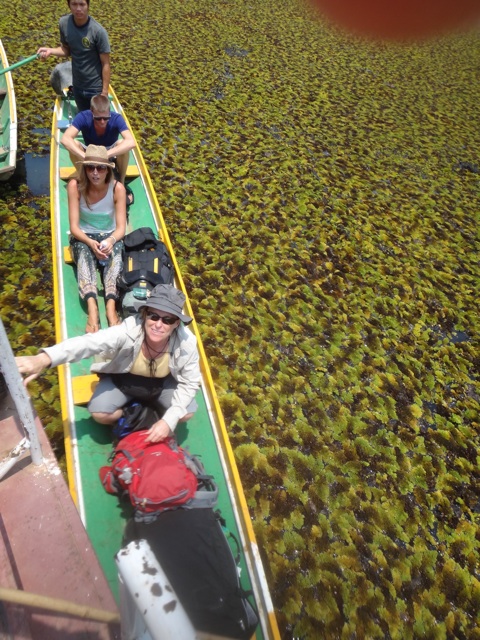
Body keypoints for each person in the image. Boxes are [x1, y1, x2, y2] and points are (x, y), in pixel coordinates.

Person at [15, 285, 200, 443]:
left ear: (176, 324)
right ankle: (138, 413)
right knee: (100, 413)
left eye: (167, 319)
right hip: (125, 378)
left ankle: (153, 415)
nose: (159, 324)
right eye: (154, 316)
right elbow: (89, 343)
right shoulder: (127, 330)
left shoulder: (187, 343)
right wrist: (44, 359)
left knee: (186, 413)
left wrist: (169, 421)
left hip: (162, 383)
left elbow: (190, 382)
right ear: (144, 314)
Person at [68, 144, 126, 332]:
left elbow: (120, 229)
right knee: (84, 257)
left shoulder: (117, 188)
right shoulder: (75, 186)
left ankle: (110, 307)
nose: (95, 173)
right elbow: (74, 228)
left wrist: (110, 241)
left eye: (100, 168)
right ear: (84, 169)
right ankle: (92, 307)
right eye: (90, 167)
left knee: (116, 257)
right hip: (84, 236)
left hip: (108, 236)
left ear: (107, 170)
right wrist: (90, 242)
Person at [37, 0, 110, 112]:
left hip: (95, 89)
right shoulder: (64, 23)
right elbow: (66, 50)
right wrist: (50, 51)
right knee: (83, 120)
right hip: (77, 86)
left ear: (88, 5)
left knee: (97, 124)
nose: (78, 8)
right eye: (74, 4)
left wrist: (104, 93)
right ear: (69, 5)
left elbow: (106, 64)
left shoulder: (98, 31)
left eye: (82, 4)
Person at [61, 94, 136, 186]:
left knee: (122, 143)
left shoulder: (117, 118)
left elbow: (131, 142)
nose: (102, 122)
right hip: (90, 150)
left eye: (106, 118)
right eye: (98, 118)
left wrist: (106, 155)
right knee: (74, 144)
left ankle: (121, 180)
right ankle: (84, 179)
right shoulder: (83, 117)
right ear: (91, 112)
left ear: (109, 112)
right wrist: (85, 156)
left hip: (110, 151)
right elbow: (65, 139)